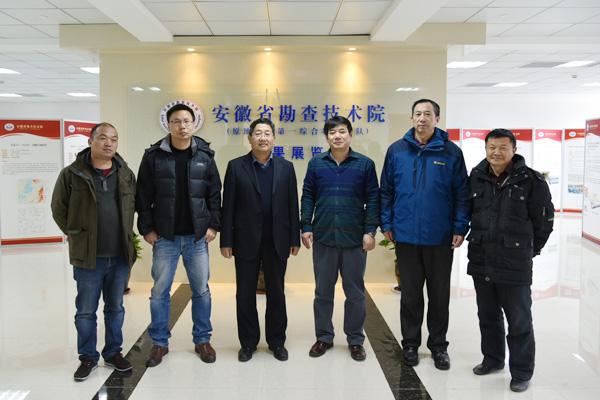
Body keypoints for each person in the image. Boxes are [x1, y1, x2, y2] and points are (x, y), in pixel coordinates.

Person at [380, 99, 471, 370]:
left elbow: (462, 194)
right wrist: (387, 223)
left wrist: (460, 227)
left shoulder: (451, 152)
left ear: (437, 119)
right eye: (418, 114)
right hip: (406, 235)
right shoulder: (397, 150)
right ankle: (410, 344)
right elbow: (386, 191)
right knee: (410, 295)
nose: (422, 118)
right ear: (411, 119)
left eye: (428, 114)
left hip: (440, 236)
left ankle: (438, 346)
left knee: (439, 296)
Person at [467, 129, 554, 393]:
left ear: (514, 150)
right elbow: (468, 211)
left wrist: (528, 250)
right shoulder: (477, 176)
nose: (497, 152)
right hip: (482, 257)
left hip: (514, 262)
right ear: (485, 149)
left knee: (519, 320)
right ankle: (493, 360)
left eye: (503, 147)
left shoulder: (531, 180)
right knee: (488, 315)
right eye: (492, 147)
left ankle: (522, 371)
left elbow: (544, 222)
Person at [136, 104, 222, 366]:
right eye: (176, 121)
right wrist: (147, 229)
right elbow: (143, 196)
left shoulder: (205, 155)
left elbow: (214, 194)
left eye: (186, 121)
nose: (182, 126)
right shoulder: (153, 156)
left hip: (197, 238)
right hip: (165, 238)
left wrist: (213, 226)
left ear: (194, 124)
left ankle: (202, 340)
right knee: (159, 292)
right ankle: (159, 343)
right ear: (168, 125)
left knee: (201, 291)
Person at [51, 123, 137, 381]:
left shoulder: (125, 173)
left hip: (120, 256)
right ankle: (87, 357)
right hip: (89, 258)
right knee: (86, 311)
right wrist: (77, 234)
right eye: (102, 138)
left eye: (114, 139)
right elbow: (58, 208)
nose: (108, 143)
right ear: (90, 141)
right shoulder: (72, 174)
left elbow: (135, 206)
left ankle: (113, 353)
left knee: (115, 309)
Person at [220, 118, 300, 362]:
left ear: (274, 138)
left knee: (277, 293)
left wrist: (294, 238)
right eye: (258, 133)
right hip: (245, 239)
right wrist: (226, 240)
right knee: (244, 294)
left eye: (267, 133)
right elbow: (228, 206)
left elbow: (292, 205)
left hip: (277, 240)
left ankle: (277, 342)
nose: (263, 137)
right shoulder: (236, 166)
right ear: (250, 138)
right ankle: (248, 343)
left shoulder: (286, 167)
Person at [300, 115, 380, 361]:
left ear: (350, 135)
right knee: (323, 292)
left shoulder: (365, 164)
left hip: (354, 238)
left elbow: (373, 199)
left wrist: (370, 231)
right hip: (324, 236)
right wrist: (306, 226)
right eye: (332, 132)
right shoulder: (316, 164)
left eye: (342, 131)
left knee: (355, 293)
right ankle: (324, 337)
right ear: (326, 137)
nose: (337, 136)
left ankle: (355, 340)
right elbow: (308, 196)